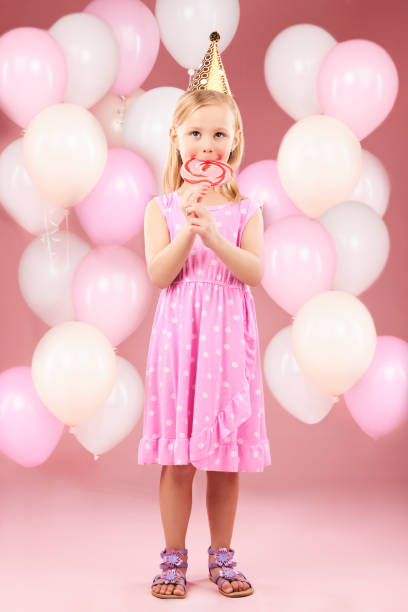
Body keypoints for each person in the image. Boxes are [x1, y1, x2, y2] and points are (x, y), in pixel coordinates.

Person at [137, 32, 271, 599]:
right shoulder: (161, 208)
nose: (208, 144)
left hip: (228, 344)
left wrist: (215, 236)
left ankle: (222, 556)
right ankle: (173, 557)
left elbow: (255, 273)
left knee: (224, 458)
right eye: (196, 133)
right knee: (177, 459)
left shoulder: (246, 210)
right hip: (179, 344)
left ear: (235, 141)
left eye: (219, 133)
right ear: (176, 138)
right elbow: (158, 275)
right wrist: (187, 227)